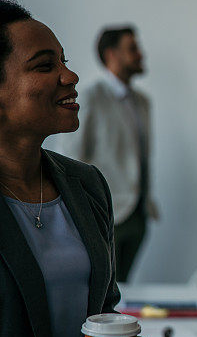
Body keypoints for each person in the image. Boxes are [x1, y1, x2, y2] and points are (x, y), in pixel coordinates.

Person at [0, 0, 148, 337]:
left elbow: (102, 306)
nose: (71, 76)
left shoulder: (86, 185)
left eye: (65, 61)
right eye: (45, 66)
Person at [61, 25, 157, 282]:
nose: (141, 54)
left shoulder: (143, 102)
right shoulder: (90, 97)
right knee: (101, 289)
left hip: (138, 213)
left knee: (125, 286)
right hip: (104, 213)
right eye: (133, 48)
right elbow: (72, 157)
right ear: (112, 54)